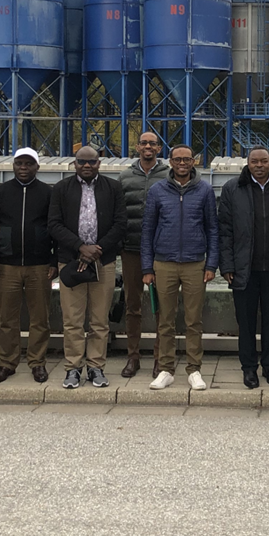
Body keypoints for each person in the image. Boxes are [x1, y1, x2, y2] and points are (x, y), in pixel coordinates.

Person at [49, 146, 126, 389]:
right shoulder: (62, 188)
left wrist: (97, 248)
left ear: (99, 163)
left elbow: (120, 223)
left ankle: (96, 366)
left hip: (103, 261)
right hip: (71, 261)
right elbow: (54, 224)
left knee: (99, 319)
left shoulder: (113, 188)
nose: (87, 166)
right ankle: (73, 368)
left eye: (91, 162)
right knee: (72, 319)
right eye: (82, 162)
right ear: (74, 164)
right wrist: (81, 247)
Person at [143, 144, 219, 391]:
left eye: (187, 159)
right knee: (165, 320)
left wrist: (212, 263)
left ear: (194, 161)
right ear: (170, 162)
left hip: (195, 262)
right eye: (178, 159)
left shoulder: (205, 190)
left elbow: (212, 229)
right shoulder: (157, 190)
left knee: (193, 320)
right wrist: (147, 267)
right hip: (163, 262)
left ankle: (194, 369)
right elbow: (147, 231)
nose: (183, 163)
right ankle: (166, 369)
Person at [218, 147, 269, 389]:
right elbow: (225, 230)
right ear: (247, 163)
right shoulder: (233, 188)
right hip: (244, 268)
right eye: (254, 161)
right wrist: (227, 264)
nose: (259, 165)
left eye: (264, 161)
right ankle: (249, 368)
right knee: (246, 322)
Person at [0, 147, 55, 384]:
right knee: (7, 318)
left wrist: (54, 261)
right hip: (7, 265)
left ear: (37, 167)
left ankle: (37, 362)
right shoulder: (0, 193)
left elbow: (56, 228)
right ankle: (7, 363)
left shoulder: (47, 192)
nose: (23, 168)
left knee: (40, 318)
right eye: (19, 164)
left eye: (28, 164)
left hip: (40, 264)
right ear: (13, 166)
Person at [118, 131, 169, 378]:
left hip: (162, 251)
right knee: (132, 305)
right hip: (132, 248)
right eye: (144, 143)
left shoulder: (170, 174)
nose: (148, 147)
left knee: (163, 307)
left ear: (159, 148)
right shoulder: (125, 176)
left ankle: (161, 359)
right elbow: (118, 212)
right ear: (137, 147)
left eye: (153, 143)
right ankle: (133, 357)